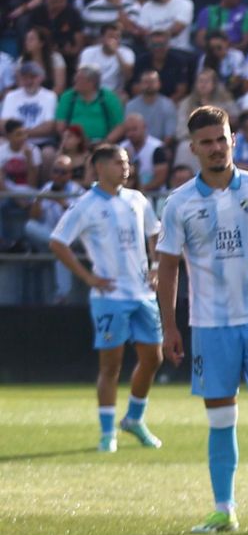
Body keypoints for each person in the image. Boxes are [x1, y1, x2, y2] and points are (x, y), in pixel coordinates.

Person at [154, 106, 248, 534]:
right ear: (193, 148)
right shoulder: (179, 203)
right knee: (219, 419)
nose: (216, 148)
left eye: (221, 139)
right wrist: (170, 327)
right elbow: (168, 267)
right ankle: (223, 509)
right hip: (210, 325)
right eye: (206, 142)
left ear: (233, 140)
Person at [48, 143, 162, 453]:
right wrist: (88, 278)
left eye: (127, 162)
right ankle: (107, 432)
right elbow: (58, 242)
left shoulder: (137, 199)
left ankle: (134, 418)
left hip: (142, 292)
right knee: (111, 365)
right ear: (99, 167)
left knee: (153, 357)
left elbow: (154, 232)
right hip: (109, 296)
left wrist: (155, 267)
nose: (126, 168)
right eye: (118, 163)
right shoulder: (85, 205)